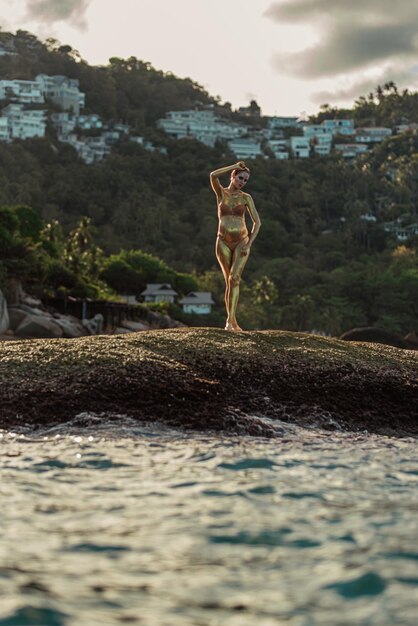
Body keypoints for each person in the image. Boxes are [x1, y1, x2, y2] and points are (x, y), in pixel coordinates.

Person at [210, 161, 261, 331]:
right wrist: (233, 165)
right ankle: (231, 322)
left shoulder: (246, 198)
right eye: (240, 178)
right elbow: (212, 175)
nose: (242, 182)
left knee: (235, 279)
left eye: (245, 180)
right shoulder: (221, 194)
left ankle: (230, 322)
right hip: (222, 241)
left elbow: (257, 223)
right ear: (232, 175)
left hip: (241, 241)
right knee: (228, 282)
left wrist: (249, 243)